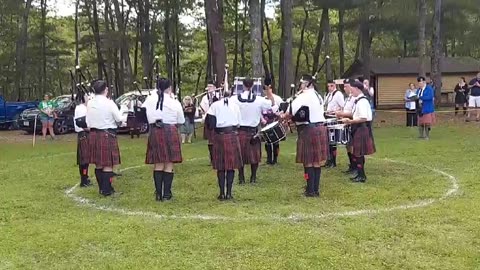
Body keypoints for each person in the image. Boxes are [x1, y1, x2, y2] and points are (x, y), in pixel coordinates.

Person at [281, 74, 328, 197]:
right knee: (316, 161)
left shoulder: (303, 96)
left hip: (308, 130)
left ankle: (310, 190)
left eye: (301, 83)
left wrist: (283, 116)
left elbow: (289, 112)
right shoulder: (318, 95)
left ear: (306, 84)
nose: (300, 86)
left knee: (308, 162)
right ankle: (315, 189)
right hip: (320, 128)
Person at [142, 78, 185, 201]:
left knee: (158, 162)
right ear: (169, 88)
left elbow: (142, 113)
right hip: (170, 130)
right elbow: (181, 120)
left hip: (156, 130)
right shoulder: (174, 102)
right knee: (169, 163)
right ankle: (167, 194)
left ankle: (158, 194)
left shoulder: (150, 99)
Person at [87, 80, 127, 196]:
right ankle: (107, 190)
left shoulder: (90, 103)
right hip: (106, 134)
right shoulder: (109, 103)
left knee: (99, 164)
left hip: (94, 134)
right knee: (108, 164)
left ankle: (102, 189)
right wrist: (124, 110)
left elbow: (88, 121)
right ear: (105, 90)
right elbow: (119, 120)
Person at [231, 78, 272, 184]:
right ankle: (253, 177)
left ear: (243, 86)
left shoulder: (234, 99)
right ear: (253, 86)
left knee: (240, 155)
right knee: (255, 156)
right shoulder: (259, 99)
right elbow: (271, 104)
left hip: (239, 131)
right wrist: (269, 92)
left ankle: (241, 178)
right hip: (253, 131)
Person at [205, 90, 243, 200]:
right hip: (232, 134)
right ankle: (229, 193)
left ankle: (222, 193)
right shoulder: (235, 106)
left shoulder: (214, 105)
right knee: (230, 166)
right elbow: (239, 123)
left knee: (221, 166)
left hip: (219, 135)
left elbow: (210, 124)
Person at [337, 80, 375, 182]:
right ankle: (360, 174)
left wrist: (350, 121)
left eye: (352, 89)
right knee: (357, 153)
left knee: (358, 153)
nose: (351, 91)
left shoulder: (362, 101)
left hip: (361, 127)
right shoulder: (358, 100)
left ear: (357, 88)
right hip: (358, 128)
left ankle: (361, 175)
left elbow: (363, 118)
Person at [262, 76, 284, 165]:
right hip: (266, 122)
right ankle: (268, 159)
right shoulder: (262, 99)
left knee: (275, 142)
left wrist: (280, 117)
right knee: (267, 142)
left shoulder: (277, 98)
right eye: (265, 90)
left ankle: (275, 159)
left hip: (275, 122)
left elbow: (282, 109)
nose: (267, 91)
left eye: (268, 89)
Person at [324, 80, 345, 168]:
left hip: (334, 118)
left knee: (333, 141)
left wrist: (335, 111)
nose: (330, 88)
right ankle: (329, 160)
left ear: (335, 85)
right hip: (327, 118)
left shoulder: (338, 94)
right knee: (328, 141)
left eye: (331, 86)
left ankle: (333, 161)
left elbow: (343, 106)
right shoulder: (328, 95)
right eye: (328, 86)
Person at [73, 91, 91, 188]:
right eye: (86, 96)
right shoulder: (81, 109)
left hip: (84, 134)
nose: (88, 98)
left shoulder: (82, 108)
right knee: (84, 159)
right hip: (84, 134)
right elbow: (82, 123)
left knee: (85, 158)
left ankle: (85, 178)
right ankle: (84, 180)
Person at [200, 81, 220, 163]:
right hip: (209, 119)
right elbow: (202, 109)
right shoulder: (205, 98)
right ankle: (212, 158)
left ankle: (219, 156)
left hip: (218, 119)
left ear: (215, 88)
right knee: (211, 140)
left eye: (211, 86)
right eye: (208, 87)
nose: (209, 88)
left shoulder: (220, 96)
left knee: (218, 139)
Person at [341, 79, 357, 175]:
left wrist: (342, 114)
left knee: (352, 146)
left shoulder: (355, 98)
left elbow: (354, 113)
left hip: (353, 124)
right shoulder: (348, 98)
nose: (344, 88)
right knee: (348, 145)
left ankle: (355, 165)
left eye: (346, 86)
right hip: (346, 124)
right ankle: (352, 164)